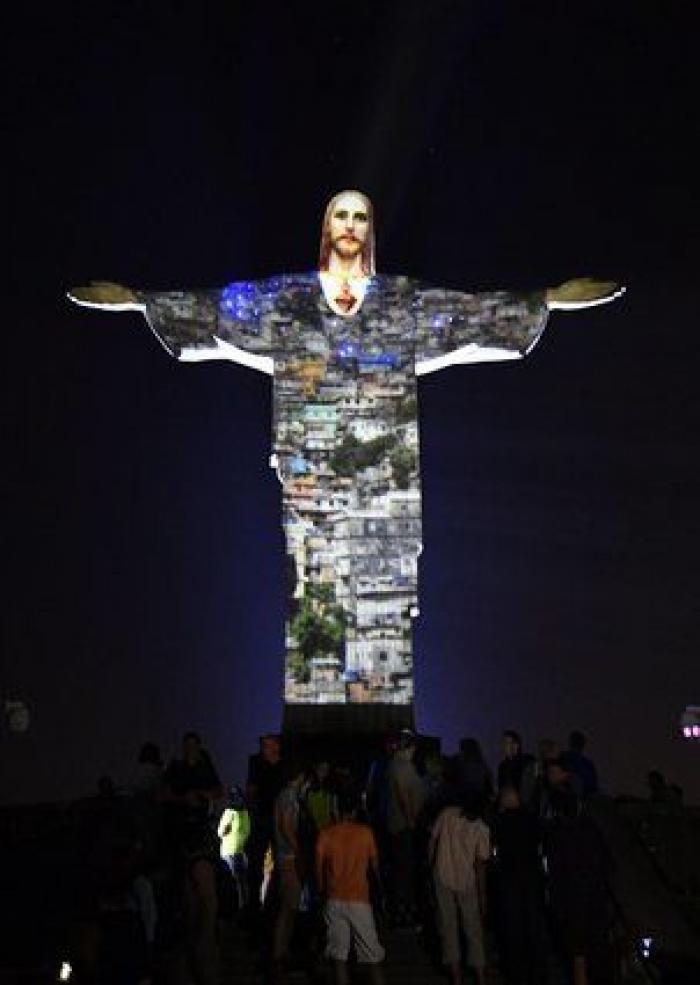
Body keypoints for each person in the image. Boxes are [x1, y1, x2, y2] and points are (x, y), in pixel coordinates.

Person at [68, 192, 623, 712]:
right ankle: (316, 713)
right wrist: (141, 302)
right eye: (341, 215)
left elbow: (475, 313)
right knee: (314, 605)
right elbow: (215, 312)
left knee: (386, 607)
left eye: (361, 218)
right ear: (325, 228)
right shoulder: (285, 301)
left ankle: (382, 712)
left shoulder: (402, 304)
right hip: (314, 485)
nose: (351, 227)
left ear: (371, 231)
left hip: (388, 484)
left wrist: (548, 299)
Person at [316, 785, 385, 985]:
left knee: (339, 958)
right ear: (355, 810)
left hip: (334, 899)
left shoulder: (325, 835)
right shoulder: (366, 833)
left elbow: (319, 870)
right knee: (373, 957)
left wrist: (322, 892)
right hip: (359, 899)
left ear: (336, 809)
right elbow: (375, 867)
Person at [429, 788, 490, 985]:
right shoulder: (481, 827)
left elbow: (432, 842)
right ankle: (480, 975)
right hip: (467, 881)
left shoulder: (446, 814)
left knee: (448, 926)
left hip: (443, 874)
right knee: (473, 928)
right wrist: (483, 894)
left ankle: (456, 976)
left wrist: (430, 867)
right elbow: (480, 864)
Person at [492, 786, 547, 985]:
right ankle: (538, 973)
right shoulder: (532, 819)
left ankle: (517, 974)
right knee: (533, 928)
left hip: (509, 881)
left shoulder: (499, 821)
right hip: (531, 879)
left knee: (513, 929)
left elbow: (495, 852)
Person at [271, 759, 307, 980]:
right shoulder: (289, 796)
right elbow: (286, 826)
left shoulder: (286, 795)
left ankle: (281, 954)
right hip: (288, 857)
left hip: (286, 856)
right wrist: (298, 850)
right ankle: (279, 956)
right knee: (288, 908)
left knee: (289, 908)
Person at [386, 728, 425, 928]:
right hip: (403, 827)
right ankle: (404, 917)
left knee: (404, 871)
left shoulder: (400, 765)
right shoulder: (401, 765)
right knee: (404, 873)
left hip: (402, 826)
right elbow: (403, 795)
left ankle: (403, 914)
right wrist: (411, 820)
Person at [246, 734, 284, 914]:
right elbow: (251, 790)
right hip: (263, 817)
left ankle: (270, 901)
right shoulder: (257, 763)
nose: (264, 749)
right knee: (257, 862)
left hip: (275, 818)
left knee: (278, 861)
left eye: (267, 745)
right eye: (263, 745)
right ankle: (255, 902)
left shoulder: (281, 765)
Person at [217, 784, 251, 911]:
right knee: (241, 882)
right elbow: (247, 832)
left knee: (234, 883)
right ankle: (242, 909)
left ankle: (236, 910)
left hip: (230, 852)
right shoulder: (245, 812)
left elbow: (220, 832)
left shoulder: (229, 812)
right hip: (239, 852)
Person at [497, 731, 536, 806]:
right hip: (509, 806)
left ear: (516, 745)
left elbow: (530, 787)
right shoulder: (503, 766)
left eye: (507, 743)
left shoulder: (527, 762)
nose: (504, 746)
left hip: (525, 807)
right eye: (503, 743)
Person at [560, 731, 599, 798]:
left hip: (583, 797)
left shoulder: (587, 763)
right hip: (567, 796)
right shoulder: (563, 757)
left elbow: (592, 784)